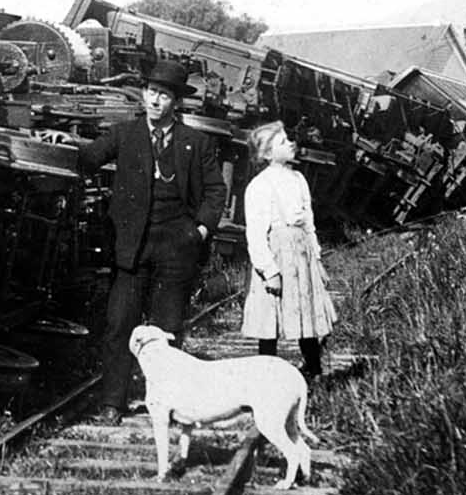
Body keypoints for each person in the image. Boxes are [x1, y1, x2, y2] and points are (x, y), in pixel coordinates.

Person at [79, 58, 227, 424]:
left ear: (176, 101)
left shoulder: (197, 142)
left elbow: (215, 192)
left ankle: (170, 404)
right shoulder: (125, 134)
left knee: (169, 329)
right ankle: (113, 402)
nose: (155, 101)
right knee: (119, 324)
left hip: (177, 249)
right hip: (132, 248)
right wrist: (61, 142)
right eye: (150, 92)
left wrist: (201, 231)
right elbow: (89, 158)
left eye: (163, 95)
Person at [241, 121, 335, 378]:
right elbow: (256, 235)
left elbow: (308, 222)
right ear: (267, 154)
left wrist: (316, 257)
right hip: (277, 256)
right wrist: (269, 270)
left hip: (301, 257)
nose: (291, 143)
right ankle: (267, 375)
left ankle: (314, 370)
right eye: (283, 142)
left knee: (307, 312)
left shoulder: (298, 179)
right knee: (269, 317)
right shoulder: (259, 186)